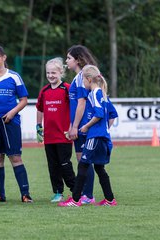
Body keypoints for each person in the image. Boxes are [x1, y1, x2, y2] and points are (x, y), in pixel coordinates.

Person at [58, 65, 118, 207]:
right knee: (99, 168)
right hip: (103, 138)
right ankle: (110, 200)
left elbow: (99, 114)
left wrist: (86, 127)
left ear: (89, 79)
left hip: (95, 137)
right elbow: (112, 114)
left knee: (83, 165)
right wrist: (105, 130)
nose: (82, 83)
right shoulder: (103, 94)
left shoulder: (94, 93)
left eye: (83, 80)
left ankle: (75, 200)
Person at [0, 44, 33, 203]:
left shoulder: (14, 76)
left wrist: (12, 112)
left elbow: (24, 100)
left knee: (15, 157)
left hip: (11, 122)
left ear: (4, 57)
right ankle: (0, 195)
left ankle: (25, 194)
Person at [36, 57, 76, 203]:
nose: (51, 76)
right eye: (48, 73)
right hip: (49, 136)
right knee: (53, 166)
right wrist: (38, 126)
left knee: (65, 164)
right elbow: (39, 109)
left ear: (61, 72)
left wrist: (73, 127)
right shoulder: (44, 91)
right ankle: (58, 192)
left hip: (64, 135)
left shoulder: (67, 88)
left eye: (53, 72)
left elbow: (75, 108)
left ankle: (76, 190)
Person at [66, 45, 98, 204]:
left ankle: (88, 196)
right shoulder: (80, 76)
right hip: (81, 124)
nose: (67, 61)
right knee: (82, 160)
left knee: (85, 160)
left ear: (77, 59)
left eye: (69, 58)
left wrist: (75, 126)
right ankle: (85, 194)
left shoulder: (82, 77)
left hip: (83, 125)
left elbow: (81, 103)